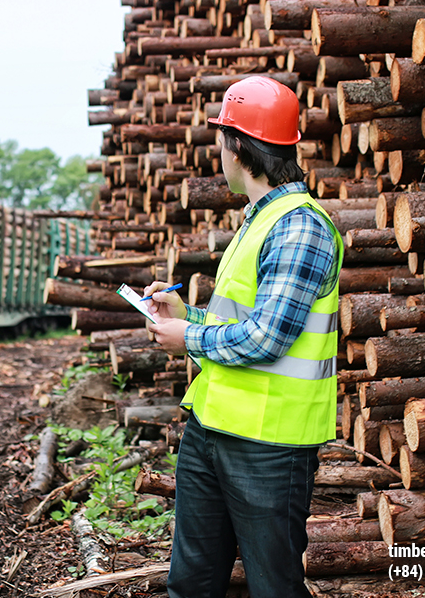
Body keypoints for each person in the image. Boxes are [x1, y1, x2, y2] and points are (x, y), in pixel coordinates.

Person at [143, 76, 344, 598]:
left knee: (273, 588)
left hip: (269, 446)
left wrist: (187, 337)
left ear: (237, 147)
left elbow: (266, 340)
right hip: (213, 428)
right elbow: (241, 319)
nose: (219, 151)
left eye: (221, 138)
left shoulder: (299, 227)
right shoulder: (260, 220)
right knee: (190, 584)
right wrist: (187, 315)